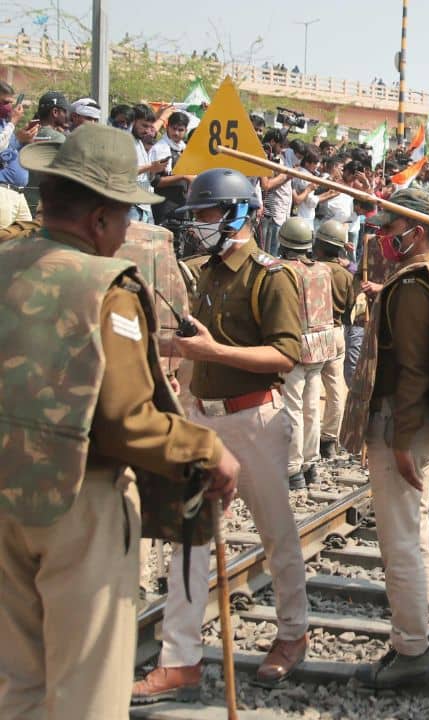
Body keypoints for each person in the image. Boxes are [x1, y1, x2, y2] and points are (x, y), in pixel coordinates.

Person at [0, 124, 235, 720]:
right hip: (76, 499)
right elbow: (125, 420)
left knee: (18, 686)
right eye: (127, 213)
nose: (129, 227)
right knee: (88, 691)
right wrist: (208, 451)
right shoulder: (106, 288)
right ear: (99, 218)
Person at [132, 169, 310, 703]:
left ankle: (293, 632)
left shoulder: (270, 276)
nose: (198, 225)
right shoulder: (205, 272)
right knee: (189, 540)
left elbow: (285, 355)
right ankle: (179, 660)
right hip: (205, 418)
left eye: (207, 214)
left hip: (254, 419)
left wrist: (212, 352)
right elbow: (197, 345)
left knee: (276, 532)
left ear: (237, 214)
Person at [339, 188, 429, 688]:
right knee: (413, 531)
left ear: (417, 232)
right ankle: (417, 632)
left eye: (391, 230)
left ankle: (411, 648)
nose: (383, 238)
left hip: (400, 420)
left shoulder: (412, 285)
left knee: (401, 542)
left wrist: (399, 440)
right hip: (406, 419)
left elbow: (414, 371)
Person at [278, 217, 338, 489]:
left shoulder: (283, 270)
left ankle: (293, 469)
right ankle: (310, 464)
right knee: (311, 407)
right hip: (321, 346)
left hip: (294, 346)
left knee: (292, 408)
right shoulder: (323, 269)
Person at [315, 219, 355, 460]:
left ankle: (309, 445)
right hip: (338, 331)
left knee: (309, 390)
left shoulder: (311, 269)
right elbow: (351, 308)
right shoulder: (345, 275)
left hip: (315, 333)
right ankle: (329, 439)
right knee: (335, 387)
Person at [0, 81, 36, 189]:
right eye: (5, 102)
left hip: (14, 191)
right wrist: (13, 122)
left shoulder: (4, 124)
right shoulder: (10, 124)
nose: (10, 107)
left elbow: (9, 151)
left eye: (11, 103)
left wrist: (24, 140)